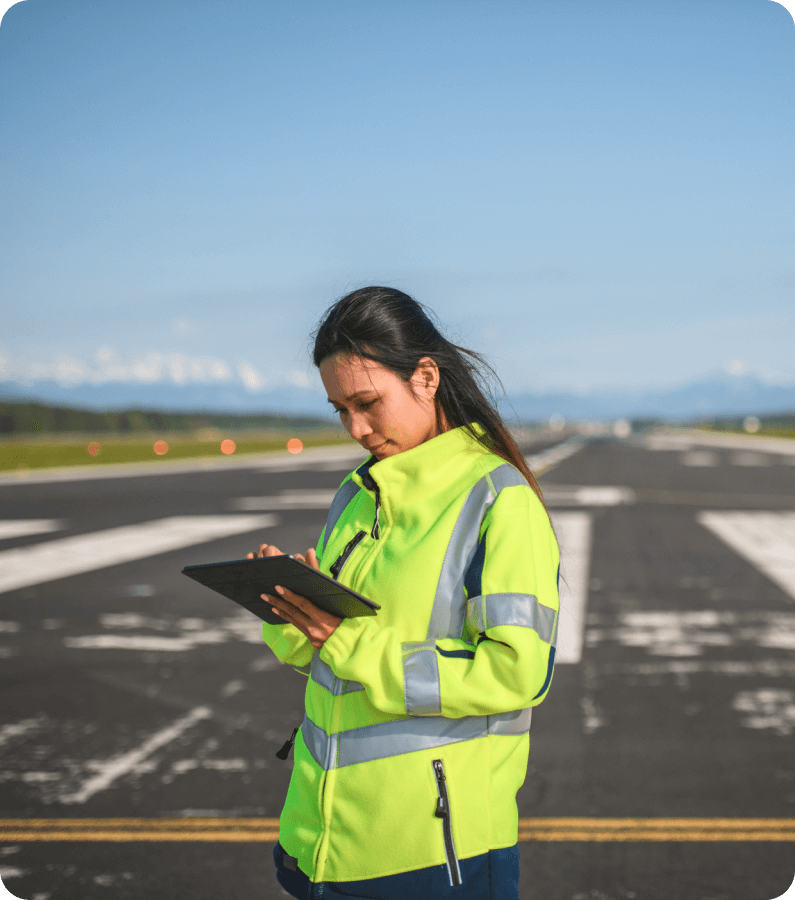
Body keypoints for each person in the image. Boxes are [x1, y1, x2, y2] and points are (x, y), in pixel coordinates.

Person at [250, 286, 560, 900]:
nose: (356, 428)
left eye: (367, 403)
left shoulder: (500, 501)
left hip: (436, 856)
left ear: (425, 377)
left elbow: (517, 673)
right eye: (340, 409)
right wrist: (294, 612)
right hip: (325, 843)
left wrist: (350, 640)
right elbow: (330, 662)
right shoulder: (357, 494)